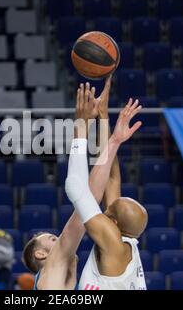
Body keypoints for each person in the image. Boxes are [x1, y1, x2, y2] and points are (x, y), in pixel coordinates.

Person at [21, 78, 118, 289]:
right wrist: (84, 124)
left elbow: (94, 195)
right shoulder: (52, 267)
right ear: (41, 254)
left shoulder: (56, 277)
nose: (61, 238)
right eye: (52, 239)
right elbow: (90, 197)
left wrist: (100, 123)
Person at [65, 96, 148, 290]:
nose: (106, 207)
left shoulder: (113, 244)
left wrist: (82, 124)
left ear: (114, 223)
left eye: (110, 208)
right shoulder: (125, 241)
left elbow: (76, 187)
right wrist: (103, 118)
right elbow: (111, 178)